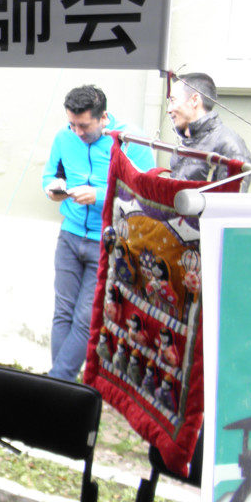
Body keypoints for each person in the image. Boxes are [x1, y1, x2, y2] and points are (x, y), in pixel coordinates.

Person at [42, 85, 154, 383]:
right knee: (62, 312)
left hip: (107, 241)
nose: (77, 132)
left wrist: (100, 196)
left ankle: (55, 384)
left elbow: (145, 194)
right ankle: (60, 384)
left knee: (84, 318)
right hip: (69, 234)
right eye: (72, 124)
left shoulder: (131, 140)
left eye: (84, 125)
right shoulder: (64, 137)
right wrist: (53, 189)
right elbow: (50, 174)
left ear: (103, 117)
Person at [167, 72, 251, 190]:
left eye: (173, 100)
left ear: (194, 100)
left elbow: (231, 203)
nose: (169, 109)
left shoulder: (229, 145)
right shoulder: (187, 141)